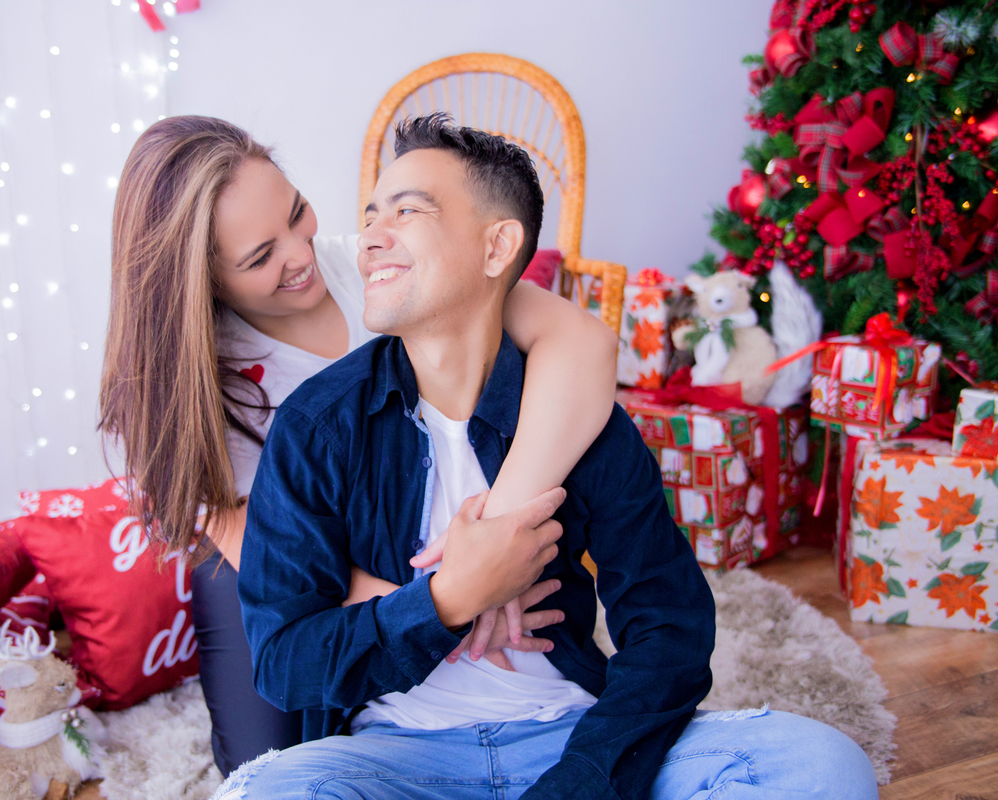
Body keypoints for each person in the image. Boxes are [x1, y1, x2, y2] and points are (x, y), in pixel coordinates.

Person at [226, 115, 879, 799]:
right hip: (394, 759)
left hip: (567, 735)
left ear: (497, 246)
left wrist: (584, 779)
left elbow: (669, 626)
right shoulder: (318, 427)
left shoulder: (579, 420)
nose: (369, 239)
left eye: (406, 212)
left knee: (823, 766)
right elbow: (283, 663)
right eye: (370, 217)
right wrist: (445, 600)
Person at [98, 116, 620, 777]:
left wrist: (496, 538)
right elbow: (278, 564)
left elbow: (582, 342)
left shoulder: (371, 262)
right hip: (272, 562)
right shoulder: (188, 387)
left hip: (419, 533)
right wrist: (454, 598)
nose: (302, 255)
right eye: (260, 257)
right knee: (272, 766)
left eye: (298, 214)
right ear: (201, 281)